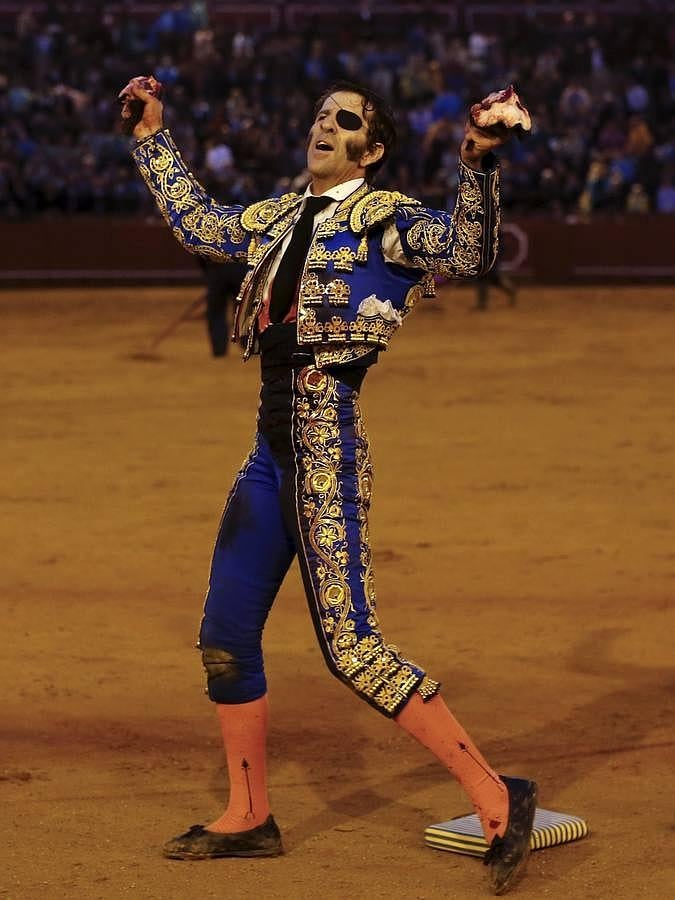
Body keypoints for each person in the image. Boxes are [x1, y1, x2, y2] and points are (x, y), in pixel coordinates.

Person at [124, 77, 538, 895]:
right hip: (267, 449)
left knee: (351, 649)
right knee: (224, 637)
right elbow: (201, 224)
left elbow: (467, 251)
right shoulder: (277, 216)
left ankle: (498, 797)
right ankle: (249, 817)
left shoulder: (385, 219)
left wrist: (478, 161)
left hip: (324, 448)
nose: (324, 124)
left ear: (371, 150)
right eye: (319, 114)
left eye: (343, 120)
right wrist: (150, 138)